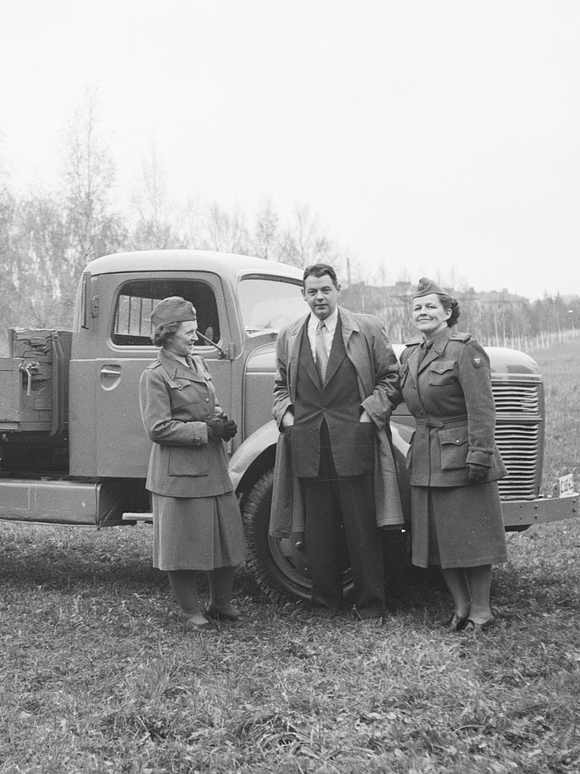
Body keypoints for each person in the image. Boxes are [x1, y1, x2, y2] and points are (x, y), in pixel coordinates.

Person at [271, 263, 401, 621]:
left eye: (325, 290)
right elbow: (280, 387)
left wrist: (366, 415)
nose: (319, 298)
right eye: (312, 292)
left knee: (362, 527)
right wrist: (288, 418)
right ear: (303, 295)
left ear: (337, 289)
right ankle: (324, 604)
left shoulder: (367, 328)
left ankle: (371, 606)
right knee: (318, 530)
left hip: (355, 440)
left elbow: (392, 380)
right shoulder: (291, 335)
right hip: (309, 444)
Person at [398, 278, 507, 631]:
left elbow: (482, 408)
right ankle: (461, 607)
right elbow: (396, 393)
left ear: (447, 313)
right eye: (417, 307)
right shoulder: (411, 353)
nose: (423, 312)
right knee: (439, 541)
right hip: (426, 458)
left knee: (470, 540)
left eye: (431, 306)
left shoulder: (465, 350)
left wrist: (480, 454)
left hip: (461, 457)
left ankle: (482, 611)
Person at [139, 296, 246, 631]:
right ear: (169, 333)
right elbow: (157, 428)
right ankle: (189, 612)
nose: (195, 337)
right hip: (179, 473)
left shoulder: (197, 363)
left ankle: (220, 604)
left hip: (212, 466)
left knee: (226, 537)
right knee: (182, 546)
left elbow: (206, 406)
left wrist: (221, 423)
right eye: (189, 331)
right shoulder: (154, 375)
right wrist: (205, 430)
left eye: (195, 330)